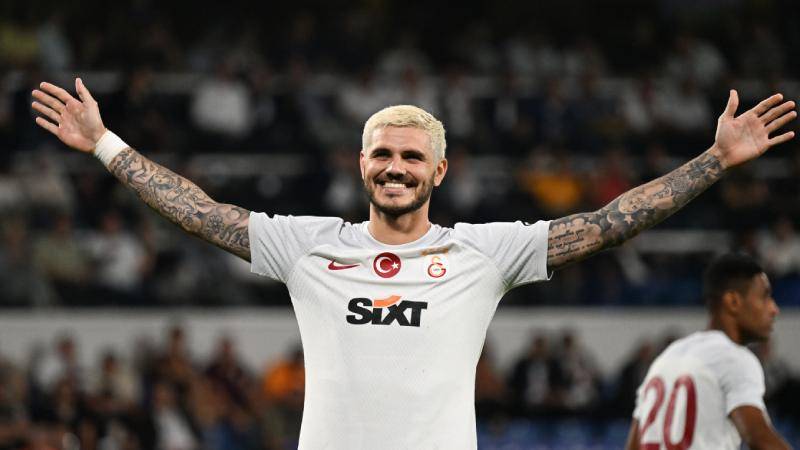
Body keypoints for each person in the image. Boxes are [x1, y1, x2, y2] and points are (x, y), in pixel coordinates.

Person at [30, 78, 795, 449]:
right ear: (362, 163)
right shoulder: (310, 245)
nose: (395, 167)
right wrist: (104, 144)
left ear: (439, 171)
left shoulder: (482, 252)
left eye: (411, 157)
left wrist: (714, 161)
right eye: (383, 154)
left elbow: (607, 224)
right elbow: (200, 212)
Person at [624, 254, 792, 450]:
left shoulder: (665, 358)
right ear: (733, 302)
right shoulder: (734, 358)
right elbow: (759, 438)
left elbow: (634, 446)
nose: (774, 308)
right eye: (764, 297)